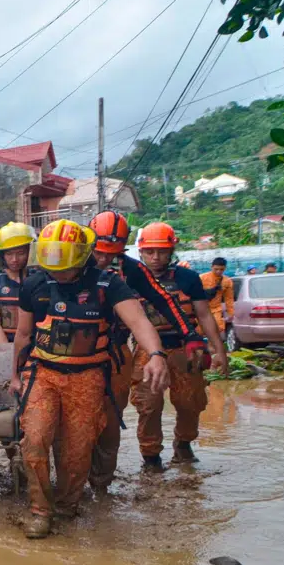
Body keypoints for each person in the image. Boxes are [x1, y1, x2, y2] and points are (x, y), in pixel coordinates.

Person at [11, 220, 170, 539]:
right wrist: (14, 375)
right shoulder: (34, 284)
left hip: (88, 377)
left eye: (65, 267)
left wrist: (155, 354)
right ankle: (40, 510)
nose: (58, 273)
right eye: (52, 266)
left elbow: (139, 322)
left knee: (77, 449)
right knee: (35, 439)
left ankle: (67, 506)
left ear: (82, 257)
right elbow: (24, 334)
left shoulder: (108, 284)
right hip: (43, 374)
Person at [86, 210, 196, 494]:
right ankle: (70, 481)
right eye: (99, 253)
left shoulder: (130, 270)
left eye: (111, 254)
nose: (104, 260)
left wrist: (190, 335)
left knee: (111, 420)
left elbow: (163, 301)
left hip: (114, 353)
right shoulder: (69, 263)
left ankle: (101, 487)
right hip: (73, 358)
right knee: (76, 421)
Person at [131, 223, 228, 471]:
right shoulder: (130, 279)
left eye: (162, 251)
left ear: (171, 251)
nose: (155, 257)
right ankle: (151, 457)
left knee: (190, 402)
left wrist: (219, 351)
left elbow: (204, 315)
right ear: (141, 252)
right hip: (147, 352)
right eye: (150, 252)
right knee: (148, 405)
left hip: (185, 349)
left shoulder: (187, 278)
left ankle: (183, 444)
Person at [0, 222, 35, 346]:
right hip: (1, 347)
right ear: (2, 255)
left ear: (29, 252)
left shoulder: (39, 280)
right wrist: (7, 353)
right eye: (9, 254)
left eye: (20, 253)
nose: (15, 259)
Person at [198, 256, 235, 340]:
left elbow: (229, 298)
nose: (218, 271)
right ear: (211, 267)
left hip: (216, 309)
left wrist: (231, 313)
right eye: (216, 269)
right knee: (201, 330)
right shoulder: (202, 278)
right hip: (201, 309)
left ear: (225, 268)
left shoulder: (227, 281)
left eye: (221, 269)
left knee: (217, 328)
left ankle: (214, 345)